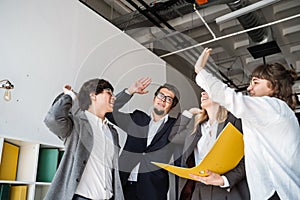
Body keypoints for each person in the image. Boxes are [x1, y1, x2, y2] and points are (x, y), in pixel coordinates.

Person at [194, 48, 300, 200]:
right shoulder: (268, 115)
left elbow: (230, 98)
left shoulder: (273, 107)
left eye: (256, 82)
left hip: (277, 193)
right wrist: (224, 180)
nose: (249, 88)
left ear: (275, 86)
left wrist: (200, 71)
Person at [44, 79, 124, 200]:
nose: (114, 97)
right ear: (93, 95)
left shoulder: (112, 132)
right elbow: (52, 119)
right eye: (109, 93)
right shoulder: (77, 124)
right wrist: (69, 96)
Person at [106, 77, 181, 200]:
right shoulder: (137, 119)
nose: (163, 100)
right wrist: (129, 92)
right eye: (161, 96)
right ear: (154, 98)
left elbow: (181, 159)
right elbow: (109, 112)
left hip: (153, 189)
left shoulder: (175, 126)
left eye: (168, 99)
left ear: (172, 106)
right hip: (124, 185)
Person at [169, 90, 250, 200]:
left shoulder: (234, 121)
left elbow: (248, 158)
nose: (202, 93)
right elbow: (173, 136)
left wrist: (225, 180)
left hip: (224, 190)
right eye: (201, 91)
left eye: (207, 90)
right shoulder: (196, 128)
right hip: (198, 189)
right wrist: (189, 113)